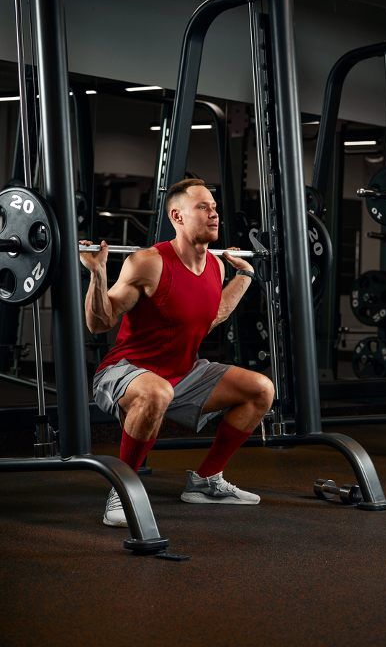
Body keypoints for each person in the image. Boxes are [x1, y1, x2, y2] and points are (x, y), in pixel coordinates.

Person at [80, 178, 274, 527]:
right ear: (178, 216)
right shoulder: (148, 263)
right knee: (157, 391)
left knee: (261, 389)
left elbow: (209, 316)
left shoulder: (214, 266)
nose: (214, 214)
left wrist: (244, 278)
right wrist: (97, 274)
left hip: (183, 372)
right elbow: (100, 323)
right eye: (203, 207)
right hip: (125, 371)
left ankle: (206, 481)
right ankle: (123, 491)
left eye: (214, 208)